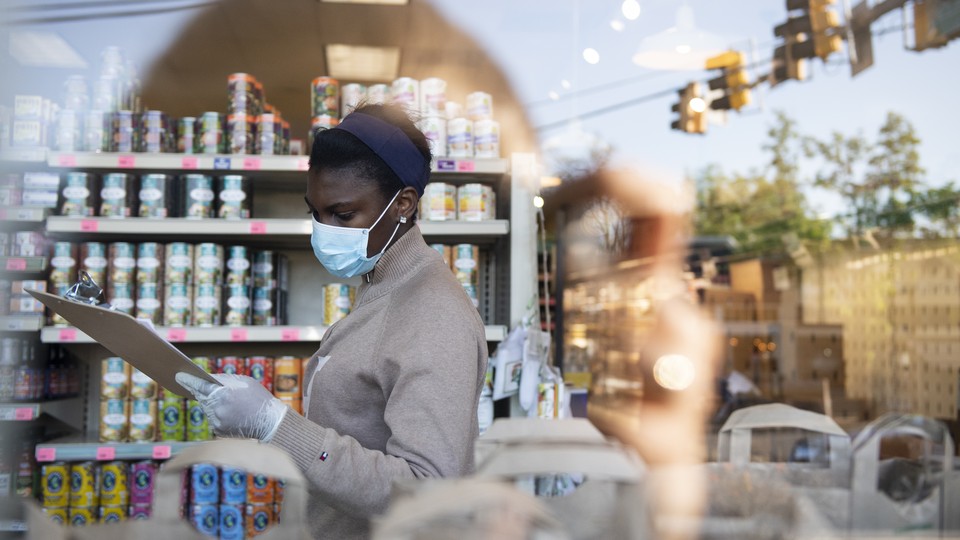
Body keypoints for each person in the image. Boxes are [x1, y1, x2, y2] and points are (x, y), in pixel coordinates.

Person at [177, 103, 488, 539]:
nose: (324, 231)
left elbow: (429, 490)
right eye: (315, 213)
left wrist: (275, 424)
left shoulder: (434, 312)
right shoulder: (383, 288)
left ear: (403, 204)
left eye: (342, 215)